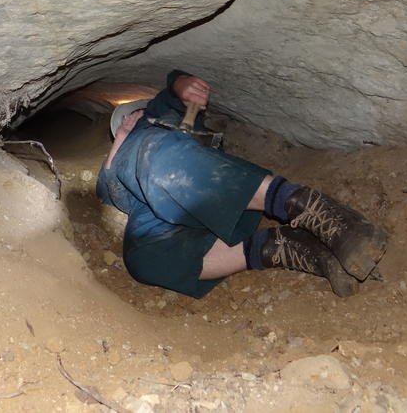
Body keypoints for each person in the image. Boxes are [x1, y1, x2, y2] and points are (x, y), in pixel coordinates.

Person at [96, 70, 387, 299]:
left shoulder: (156, 118)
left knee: (156, 159)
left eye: (132, 115)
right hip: (161, 212)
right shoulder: (122, 155)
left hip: (203, 181)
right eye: (124, 120)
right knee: (141, 261)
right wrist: (121, 137)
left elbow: (175, 80)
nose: (130, 119)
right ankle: (284, 247)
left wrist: (183, 85)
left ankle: (324, 215)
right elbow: (108, 190)